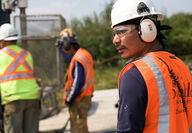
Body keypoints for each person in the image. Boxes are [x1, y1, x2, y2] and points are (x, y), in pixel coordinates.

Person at [111, 0, 192, 132]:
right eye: (114, 33)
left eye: (121, 32)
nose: (115, 40)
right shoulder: (180, 65)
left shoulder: (134, 75)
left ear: (146, 28)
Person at [0, 23, 40, 133]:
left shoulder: (0, 55)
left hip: (13, 99)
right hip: (33, 97)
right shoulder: (27, 54)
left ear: (3, 41)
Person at [56, 28, 94, 133]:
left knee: (78, 128)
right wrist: (59, 47)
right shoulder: (83, 54)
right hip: (85, 96)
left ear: (67, 44)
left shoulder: (78, 59)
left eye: (62, 45)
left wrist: (69, 99)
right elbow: (69, 58)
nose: (62, 48)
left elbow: (78, 82)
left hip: (79, 99)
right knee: (82, 127)